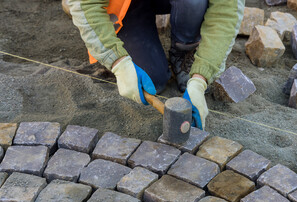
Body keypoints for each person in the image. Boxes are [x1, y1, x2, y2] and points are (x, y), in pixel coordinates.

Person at [68, 0, 244, 130]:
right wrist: (117, 61)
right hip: (125, 4)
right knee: (152, 80)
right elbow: (86, 4)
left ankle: (183, 51)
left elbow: (227, 10)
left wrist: (202, 76)